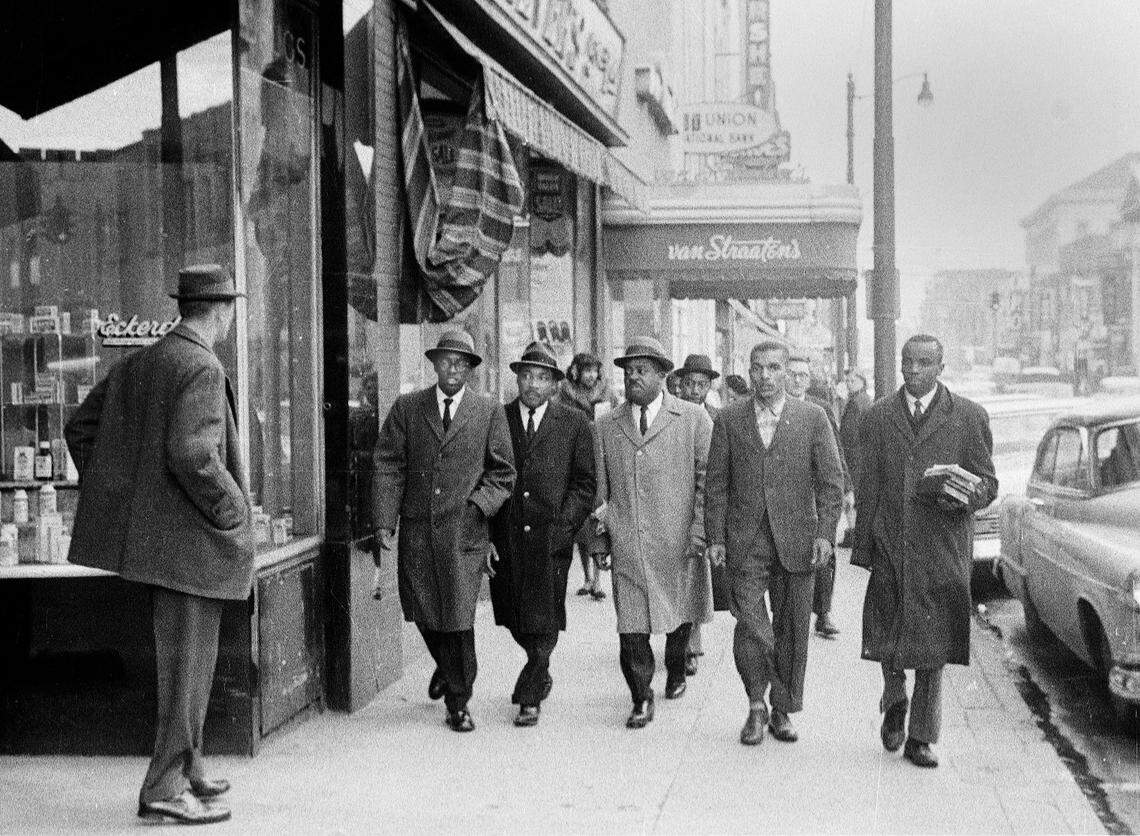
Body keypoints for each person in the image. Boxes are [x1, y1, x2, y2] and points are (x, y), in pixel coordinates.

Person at [65, 264, 252, 825]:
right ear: (222, 311)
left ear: (184, 307)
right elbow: (194, 455)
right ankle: (165, 787)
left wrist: (130, 504)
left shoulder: (146, 359)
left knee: (189, 668)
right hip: (193, 546)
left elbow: (82, 429)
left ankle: (189, 764)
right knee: (188, 669)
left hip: (164, 549)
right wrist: (233, 512)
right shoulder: (200, 364)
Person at [852, 334, 997, 769]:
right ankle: (894, 697)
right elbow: (867, 485)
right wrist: (864, 547)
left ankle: (921, 737)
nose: (913, 371)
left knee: (934, 644)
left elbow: (989, 483)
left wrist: (966, 497)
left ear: (941, 366)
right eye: (907, 363)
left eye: (923, 363)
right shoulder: (878, 417)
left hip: (941, 547)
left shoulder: (968, 416)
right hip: (892, 543)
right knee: (888, 630)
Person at [373, 330, 515, 733]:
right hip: (418, 532)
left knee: (456, 617)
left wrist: (478, 507)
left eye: (461, 362)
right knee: (421, 610)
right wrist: (385, 520)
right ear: (434, 365)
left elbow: (503, 473)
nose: (453, 369)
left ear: (470, 369)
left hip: (462, 535)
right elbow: (388, 464)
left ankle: (459, 701)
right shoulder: (408, 408)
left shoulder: (487, 411)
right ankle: (447, 668)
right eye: (446, 361)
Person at [705, 341, 844, 746]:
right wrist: (716, 536)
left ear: (787, 372)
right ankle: (754, 706)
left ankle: (782, 709)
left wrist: (825, 534)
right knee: (751, 626)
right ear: (748, 372)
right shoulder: (730, 419)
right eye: (757, 368)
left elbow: (831, 484)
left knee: (794, 628)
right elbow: (716, 484)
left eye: (773, 368)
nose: (764, 376)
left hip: (798, 540)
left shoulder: (813, 418)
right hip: (745, 541)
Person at [594, 336, 713, 728]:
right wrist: (599, 539)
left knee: (678, 618)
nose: (633, 377)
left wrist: (699, 530)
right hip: (628, 540)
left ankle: (676, 668)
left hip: (677, 542)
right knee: (630, 627)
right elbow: (600, 490)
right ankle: (641, 696)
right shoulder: (606, 424)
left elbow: (705, 481)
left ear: (663, 376)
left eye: (642, 370)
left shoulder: (693, 419)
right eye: (628, 371)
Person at [489, 343, 596, 727]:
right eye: (526, 375)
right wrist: (488, 533)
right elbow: (485, 477)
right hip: (508, 536)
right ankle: (541, 669)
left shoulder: (574, 423)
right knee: (515, 616)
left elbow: (586, 485)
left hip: (552, 537)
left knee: (545, 614)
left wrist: (564, 526)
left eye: (542, 377)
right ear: (517, 378)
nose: (532, 384)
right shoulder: (497, 419)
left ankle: (530, 692)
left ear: (554, 384)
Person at [784, 353, 851, 640]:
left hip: (814, 494)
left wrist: (846, 487)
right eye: (792, 374)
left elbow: (836, 453)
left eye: (802, 375)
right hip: (785, 494)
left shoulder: (820, 409)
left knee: (824, 551)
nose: (797, 380)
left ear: (809, 380)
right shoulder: (774, 408)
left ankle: (823, 613)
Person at [555, 352, 617, 600]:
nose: (590, 375)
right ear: (576, 372)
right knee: (579, 522)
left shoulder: (607, 394)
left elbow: (616, 420)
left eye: (594, 370)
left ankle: (599, 579)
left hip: (599, 457)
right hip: (575, 456)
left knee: (596, 515)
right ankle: (587, 577)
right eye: (586, 370)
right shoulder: (565, 395)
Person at [674, 353, 721, 676]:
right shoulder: (673, 415)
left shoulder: (720, 418)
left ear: (708, 387)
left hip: (708, 502)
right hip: (677, 501)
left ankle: (692, 637)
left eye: (700, 384)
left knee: (699, 576)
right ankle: (682, 640)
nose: (694, 390)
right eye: (689, 383)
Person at [837, 367, 871, 548]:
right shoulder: (866, 400)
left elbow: (848, 434)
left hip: (853, 456)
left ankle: (853, 533)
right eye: (848, 381)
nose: (849, 385)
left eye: (853, 381)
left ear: (862, 382)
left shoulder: (854, 404)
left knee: (850, 494)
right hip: (863, 455)